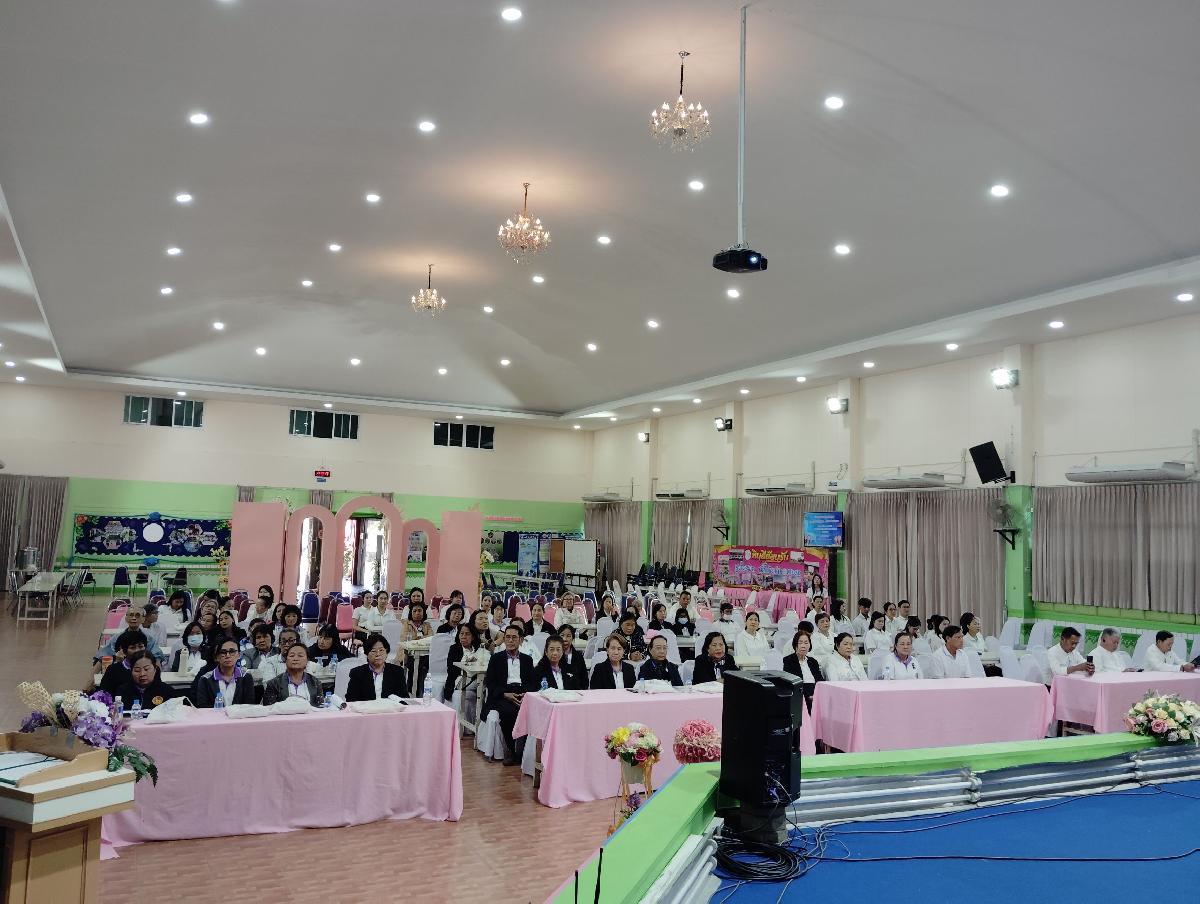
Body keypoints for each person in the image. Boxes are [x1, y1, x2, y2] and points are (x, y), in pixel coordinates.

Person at [481, 625, 536, 765]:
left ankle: (525, 751)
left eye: (514, 637)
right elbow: (490, 683)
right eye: (507, 637)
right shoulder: (496, 659)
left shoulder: (527, 660)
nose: (510, 641)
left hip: (522, 692)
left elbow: (532, 683)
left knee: (530, 712)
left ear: (521, 640)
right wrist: (505, 694)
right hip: (503, 693)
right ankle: (511, 750)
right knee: (508, 712)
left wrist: (525, 694)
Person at [191, 639, 256, 707]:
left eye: (232, 651)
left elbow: (249, 706)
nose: (228, 655)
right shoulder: (205, 679)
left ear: (239, 655)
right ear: (217, 657)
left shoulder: (246, 677)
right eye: (223, 652)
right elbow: (203, 708)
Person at [345, 633, 409, 701]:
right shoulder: (357, 673)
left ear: (386, 652)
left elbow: (404, 698)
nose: (378, 654)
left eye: (381, 650)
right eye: (373, 651)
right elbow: (351, 700)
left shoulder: (397, 672)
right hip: (366, 707)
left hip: (390, 707)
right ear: (367, 654)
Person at [95, 606, 164, 663]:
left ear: (143, 619)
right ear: (126, 618)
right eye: (131, 615)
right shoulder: (117, 637)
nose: (134, 618)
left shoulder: (149, 638)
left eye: (137, 615)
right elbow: (104, 655)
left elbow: (157, 656)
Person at [445, 623, 487, 710]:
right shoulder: (454, 649)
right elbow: (451, 669)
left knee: (487, 681)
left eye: (467, 634)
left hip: (477, 678)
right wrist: (467, 663)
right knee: (484, 683)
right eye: (461, 633)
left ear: (473, 637)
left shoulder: (478, 649)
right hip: (460, 679)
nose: (464, 636)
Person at [782, 631, 824, 709]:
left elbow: (820, 681)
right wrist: (808, 697)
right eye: (800, 643)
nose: (803, 646)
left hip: (815, 694)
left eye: (806, 643)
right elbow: (789, 684)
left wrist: (817, 695)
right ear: (795, 644)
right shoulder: (788, 660)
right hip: (800, 696)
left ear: (810, 645)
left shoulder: (813, 661)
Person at [557, 623, 589, 688]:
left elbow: (585, 680)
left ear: (573, 638)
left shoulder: (579, 656)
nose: (565, 639)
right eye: (562, 635)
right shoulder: (554, 656)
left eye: (568, 636)